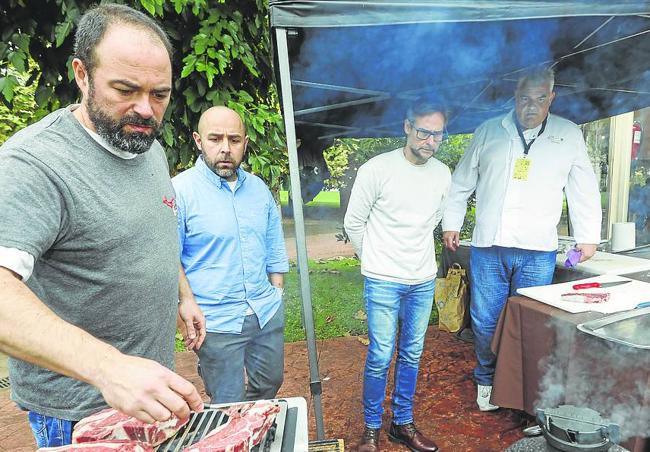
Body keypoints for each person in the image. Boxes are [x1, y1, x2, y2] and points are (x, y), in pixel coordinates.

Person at [0, 4, 205, 448]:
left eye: (160, 94)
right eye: (125, 89)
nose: (145, 110)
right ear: (81, 74)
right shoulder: (34, 163)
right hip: (78, 411)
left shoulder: (144, 146)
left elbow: (153, 230)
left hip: (145, 392)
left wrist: (182, 295)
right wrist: (110, 369)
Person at [442, 66, 602, 412]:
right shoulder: (489, 131)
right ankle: (486, 378)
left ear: (551, 98)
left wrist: (588, 237)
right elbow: (461, 181)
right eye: (524, 98)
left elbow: (583, 188)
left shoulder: (568, 134)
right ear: (515, 97)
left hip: (537, 250)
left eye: (540, 98)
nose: (531, 106)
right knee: (485, 319)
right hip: (488, 246)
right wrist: (451, 223)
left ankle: (520, 387)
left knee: (528, 321)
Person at [344, 101, 451, 452]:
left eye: (437, 134)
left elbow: (435, 219)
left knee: (412, 353)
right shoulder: (377, 169)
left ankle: (402, 423)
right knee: (380, 354)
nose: (430, 141)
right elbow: (353, 223)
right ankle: (372, 429)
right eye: (424, 132)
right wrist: (375, 259)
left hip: (422, 278)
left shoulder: (442, 174)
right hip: (383, 279)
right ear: (407, 127)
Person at [173, 106, 289, 404]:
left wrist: (276, 291)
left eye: (234, 140)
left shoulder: (259, 189)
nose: (225, 148)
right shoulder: (180, 191)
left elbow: (274, 242)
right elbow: (168, 256)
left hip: (264, 311)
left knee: (270, 384)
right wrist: (186, 301)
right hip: (215, 321)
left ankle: (252, 429)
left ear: (245, 143)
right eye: (215, 139)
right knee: (227, 402)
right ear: (199, 141)